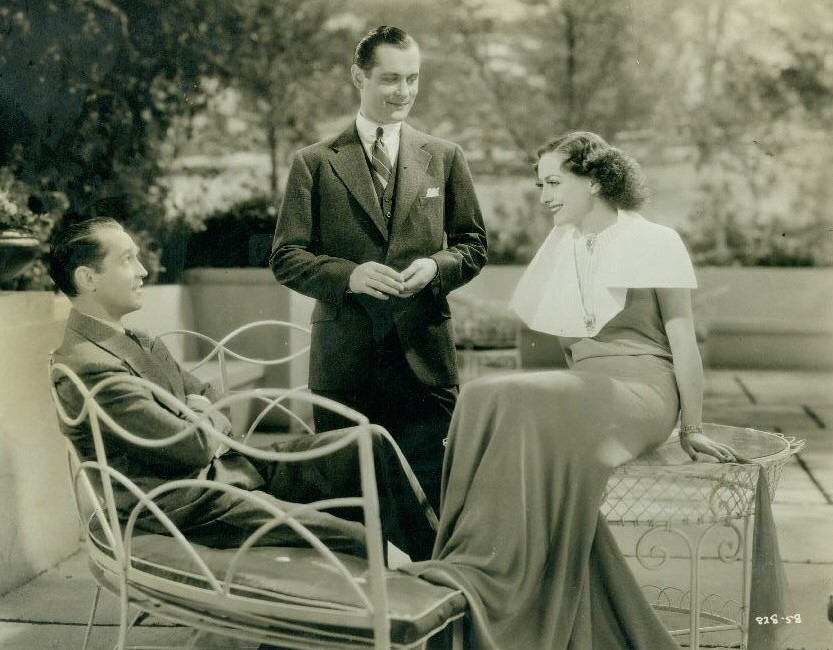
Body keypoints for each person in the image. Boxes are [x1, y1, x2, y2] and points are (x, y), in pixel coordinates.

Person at [402, 132, 739, 650]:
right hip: (587, 388)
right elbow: (569, 352)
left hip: (642, 388)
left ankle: (497, 579)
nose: (544, 195)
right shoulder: (564, 246)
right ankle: (478, 563)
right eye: (541, 184)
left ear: (596, 181)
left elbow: (683, 343)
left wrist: (691, 426)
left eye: (555, 182)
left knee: (512, 397)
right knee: (479, 396)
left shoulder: (655, 240)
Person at [49, 217, 436, 562]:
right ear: (87, 278)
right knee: (354, 536)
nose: (144, 270)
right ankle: (344, 629)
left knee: (368, 444)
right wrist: (200, 413)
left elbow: (211, 395)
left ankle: (442, 564)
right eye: (127, 260)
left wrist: (198, 411)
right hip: (181, 506)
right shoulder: (91, 364)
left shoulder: (139, 339)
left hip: (229, 469)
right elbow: (192, 446)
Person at [269, 25, 488, 512]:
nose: (403, 92)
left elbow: (474, 246)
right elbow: (285, 257)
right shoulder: (315, 163)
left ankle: (430, 590)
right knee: (349, 515)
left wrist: (436, 265)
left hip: (425, 364)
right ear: (358, 77)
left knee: (431, 507)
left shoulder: (446, 158)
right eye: (390, 79)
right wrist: (348, 276)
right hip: (345, 367)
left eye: (413, 79)